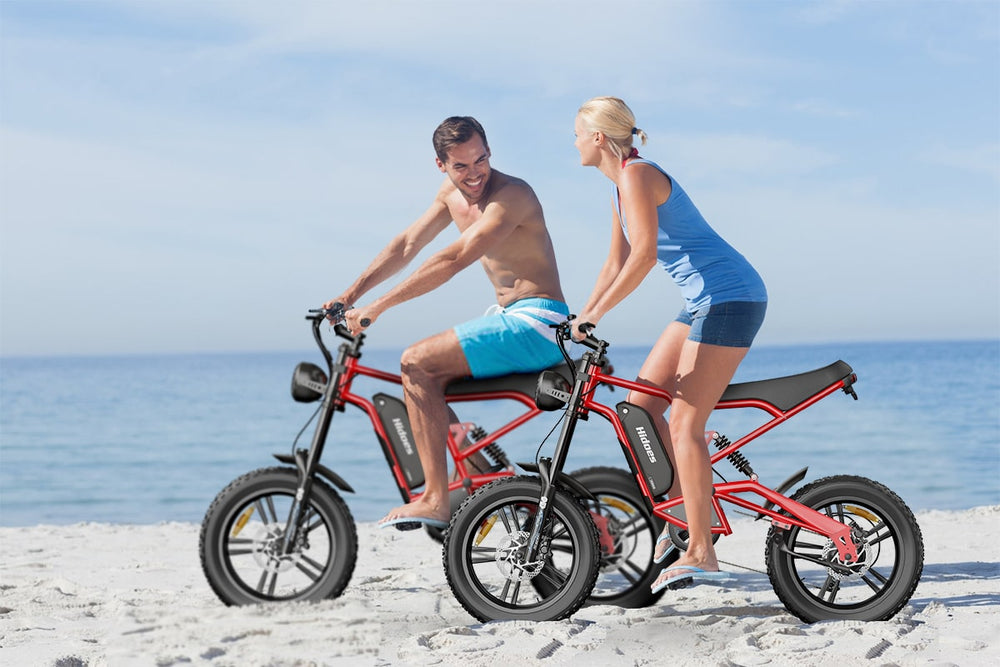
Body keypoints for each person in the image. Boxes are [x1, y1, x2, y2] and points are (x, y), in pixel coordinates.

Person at [324, 116, 569, 530]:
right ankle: (483, 486)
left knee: (416, 362)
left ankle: (437, 499)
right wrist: (350, 295)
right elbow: (407, 244)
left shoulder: (512, 196)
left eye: (481, 160)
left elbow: (454, 259)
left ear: (490, 151)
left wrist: (377, 307)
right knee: (429, 380)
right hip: (511, 319)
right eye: (461, 166)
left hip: (539, 322)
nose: (475, 174)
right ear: (441, 165)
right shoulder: (449, 195)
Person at [571, 97, 767, 593]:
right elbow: (613, 265)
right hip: (703, 302)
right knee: (639, 407)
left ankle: (703, 550)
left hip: (730, 298)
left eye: (577, 134)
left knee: (684, 422)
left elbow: (642, 257)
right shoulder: (620, 188)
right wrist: (581, 314)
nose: (573, 143)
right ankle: (682, 518)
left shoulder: (638, 174)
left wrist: (597, 315)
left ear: (598, 138)